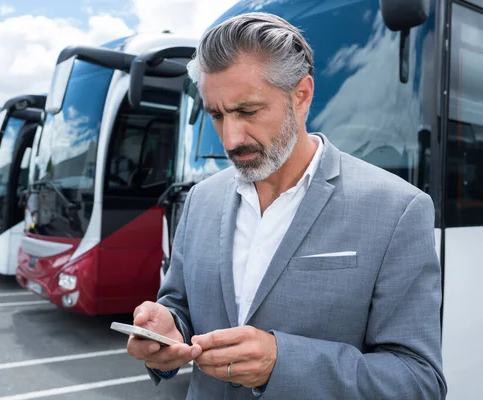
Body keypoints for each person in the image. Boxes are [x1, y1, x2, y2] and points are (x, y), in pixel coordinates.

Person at [126, 12, 447, 399]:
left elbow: (419, 380)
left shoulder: (398, 210)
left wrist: (283, 362)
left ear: (302, 95)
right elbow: (179, 303)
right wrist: (166, 329)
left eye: (247, 111)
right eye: (216, 115)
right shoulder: (201, 199)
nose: (230, 139)